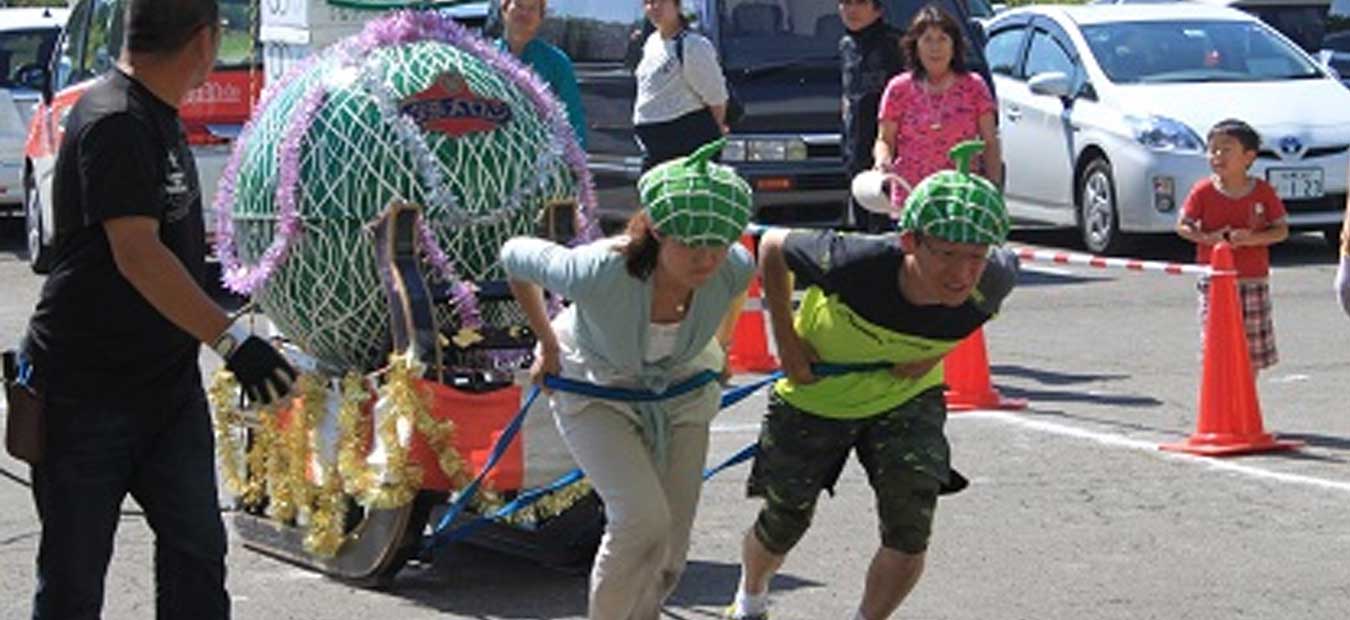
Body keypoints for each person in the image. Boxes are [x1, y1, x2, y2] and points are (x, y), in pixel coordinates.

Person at [20, 1, 297, 617]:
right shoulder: (115, 118)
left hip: (164, 390)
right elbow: (137, 253)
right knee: (73, 576)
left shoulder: (154, 112)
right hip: (85, 393)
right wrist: (231, 342)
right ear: (205, 41)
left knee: (197, 558)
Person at [724, 141, 1017, 620]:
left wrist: (934, 353)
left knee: (910, 530)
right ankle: (751, 596)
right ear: (909, 242)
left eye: (975, 256)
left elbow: (972, 314)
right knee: (785, 520)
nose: (962, 273)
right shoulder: (853, 262)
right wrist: (787, 343)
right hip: (818, 394)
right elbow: (773, 245)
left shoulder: (994, 277)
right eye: (946, 254)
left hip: (906, 399)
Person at [501, 138, 754, 620]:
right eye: (691, 245)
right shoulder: (595, 270)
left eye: (717, 246)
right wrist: (548, 345)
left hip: (681, 390)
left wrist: (719, 348)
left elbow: (735, 291)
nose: (705, 260)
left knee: (671, 546)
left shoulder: (733, 268)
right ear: (656, 230)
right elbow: (516, 256)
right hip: (595, 387)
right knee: (640, 520)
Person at [1177, 118, 1289, 375]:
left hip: (1252, 279)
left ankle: (1246, 399)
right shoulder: (1202, 191)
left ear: (1248, 157)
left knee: (1252, 350)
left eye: (1226, 150)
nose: (1217, 156)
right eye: (1213, 150)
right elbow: (1183, 226)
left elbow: (1281, 230)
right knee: (1217, 343)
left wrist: (1251, 238)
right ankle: (1220, 397)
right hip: (1214, 279)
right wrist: (1209, 238)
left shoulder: (1262, 191)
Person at [874, 4, 1000, 215]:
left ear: (954, 45)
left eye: (942, 39)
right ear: (915, 46)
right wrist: (882, 161)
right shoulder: (899, 88)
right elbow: (885, 139)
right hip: (912, 198)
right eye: (927, 40)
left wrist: (993, 190)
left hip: (962, 198)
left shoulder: (974, 86)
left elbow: (990, 142)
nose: (935, 48)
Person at [633, 0, 730, 171]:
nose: (653, 7)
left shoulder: (693, 45)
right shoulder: (651, 42)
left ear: (677, 6)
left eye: (660, 2)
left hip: (685, 142)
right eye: (648, 2)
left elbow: (716, 97)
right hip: (655, 147)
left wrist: (716, 132)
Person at [840, 0, 904, 233]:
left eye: (860, 3)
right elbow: (848, 96)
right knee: (861, 222)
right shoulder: (846, 45)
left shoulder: (896, 45)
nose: (851, 10)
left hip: (889, 146)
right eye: (845, 3)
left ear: (877, 8)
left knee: (886, 222)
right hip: (855, 146)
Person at [496, 0, 589, 148]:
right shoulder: (483, 58)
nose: (524, 13)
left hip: (538, 160)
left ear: (541, 17)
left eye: (532, 8)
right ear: (504, 10)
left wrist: (574, 167)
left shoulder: (557, 63)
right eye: (519, 5)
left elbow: (573, 121)